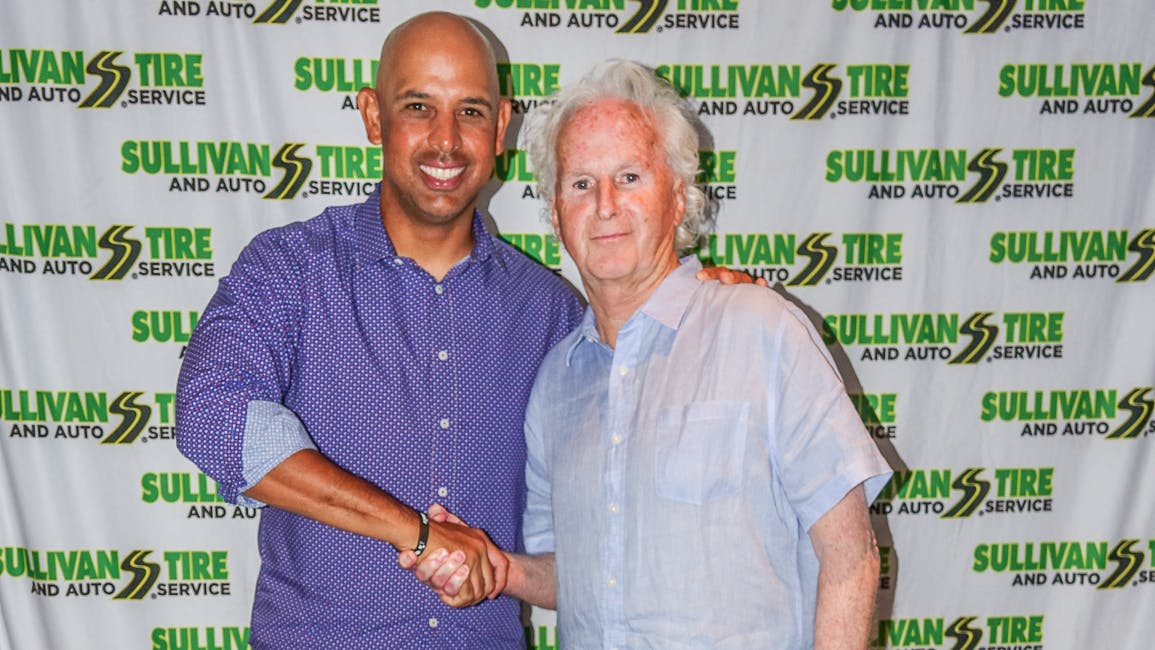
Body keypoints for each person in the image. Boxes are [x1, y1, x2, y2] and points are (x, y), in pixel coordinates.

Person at [176, 13, 752, 648]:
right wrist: (413, 531)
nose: (446, 140)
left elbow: (612, 519)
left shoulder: (552, 313)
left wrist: (700, 308)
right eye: (419, 106)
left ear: (502, 125)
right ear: (373, 116)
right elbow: (212, 418)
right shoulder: (290, 270)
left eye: (471, 112)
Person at [407, 60, 892, 649]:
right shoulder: (557, 381)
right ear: (556, 214)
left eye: (630, 177)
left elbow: (852, 559)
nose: (605, 204)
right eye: (581, 183)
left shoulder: (763, 332)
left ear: (678, 197)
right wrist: (501, 568)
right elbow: (574, 574)